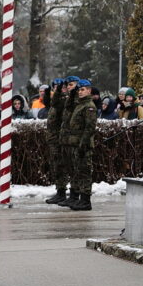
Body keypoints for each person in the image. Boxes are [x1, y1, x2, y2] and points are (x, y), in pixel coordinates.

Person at [65, 79, 98, 211]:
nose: (80, 92)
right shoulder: (80, 104)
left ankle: (85, 201)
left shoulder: (89, 106)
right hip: (76, 144)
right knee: (78, 172)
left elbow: (89, 127)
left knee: (85, 172)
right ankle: (80, 199)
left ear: (89, 90)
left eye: (82, 89)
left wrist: (83, 144)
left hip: (83, 145)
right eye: (79, 90)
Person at [56, 76, 81, 206]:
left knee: (75, 169)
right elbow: (55, 104)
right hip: (66, 138)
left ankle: (75, 195)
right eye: (68, 85)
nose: (69, 87)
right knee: (69, 168)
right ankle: (71, 195)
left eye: (71, 85)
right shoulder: (69, 99)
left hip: (74, 140)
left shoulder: (78, 100)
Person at [45, 78, 69, 204]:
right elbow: (51, 102)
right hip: (53, 138)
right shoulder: (56, 101)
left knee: (60, 166)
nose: (56, 90)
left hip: (59, 139)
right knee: (56, 166)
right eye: (54, 87)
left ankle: (62, 192)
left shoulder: (64, 101)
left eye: (59, 87)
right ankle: (60, 191)